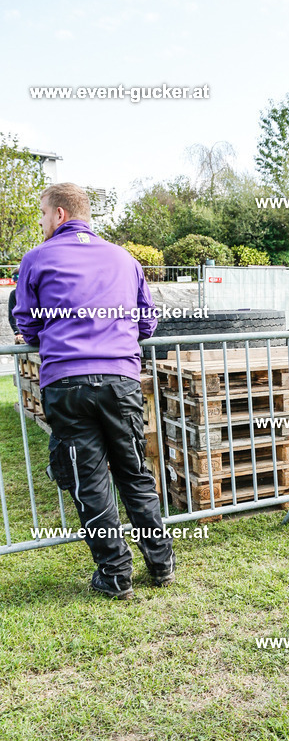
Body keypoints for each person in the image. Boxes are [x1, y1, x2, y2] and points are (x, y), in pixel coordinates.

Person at [13, 182, 175, 599]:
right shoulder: (125, 259)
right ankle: (161, 563)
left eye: (43, 214)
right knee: (134, 471)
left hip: (66, 383)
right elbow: (147, 324)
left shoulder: (35, 259)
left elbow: (27, 325)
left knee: (90, 480)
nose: (42, 222)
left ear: (61, 214)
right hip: (120, 379)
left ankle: (115, 574)